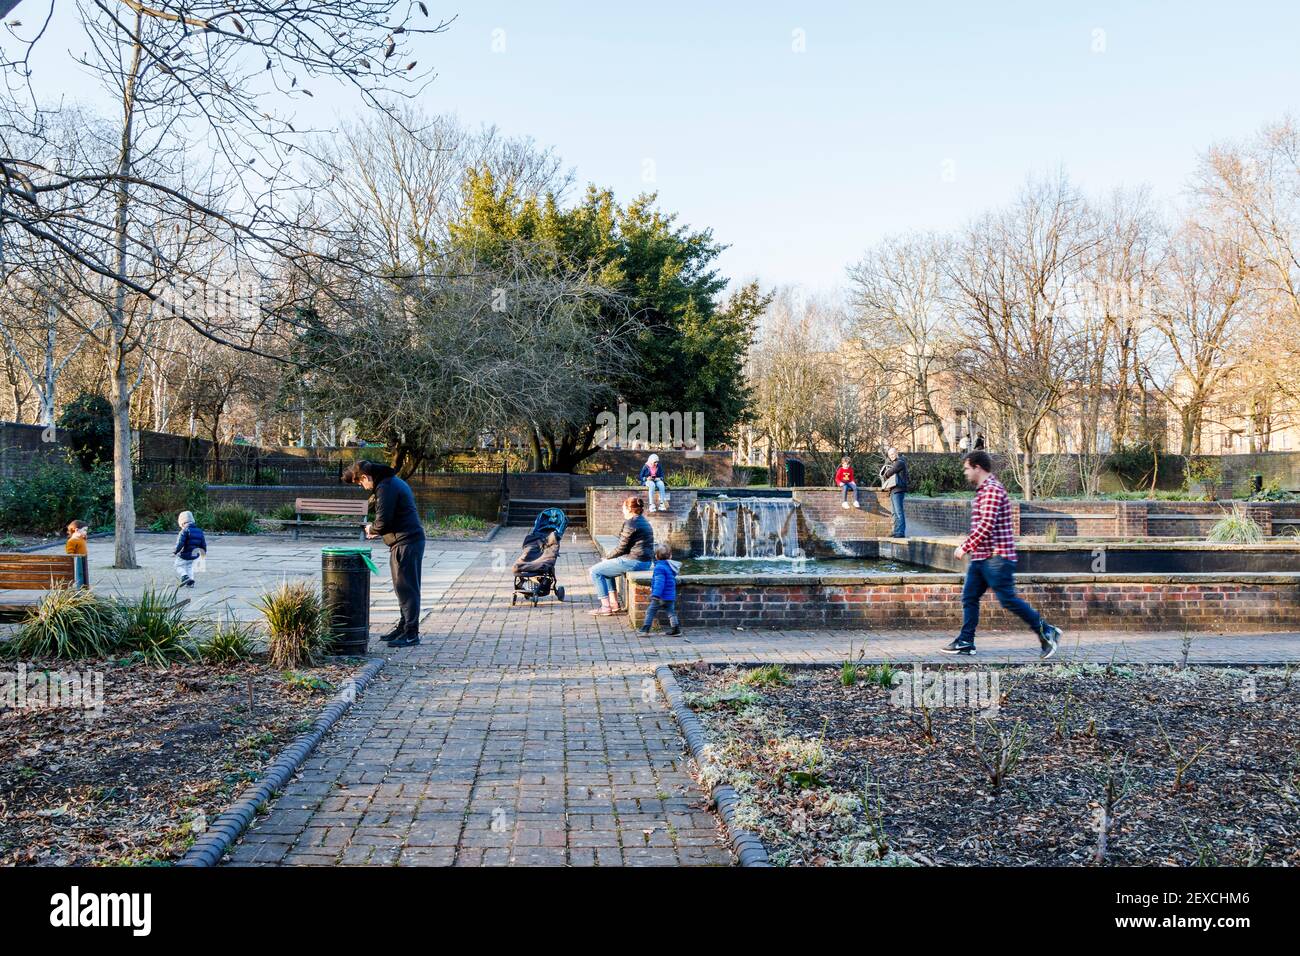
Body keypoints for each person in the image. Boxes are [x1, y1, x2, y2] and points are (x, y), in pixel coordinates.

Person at [941, 450, 1063, 658]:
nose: (965, 473)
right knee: (969, 597)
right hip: (982, 558)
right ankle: (966, 641)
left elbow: (987, 524)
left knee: (1008, 600)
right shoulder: (983, 490)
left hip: (997, 558)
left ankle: (1047, 631)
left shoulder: (992, 490)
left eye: (967, 468)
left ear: (977, 467)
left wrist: (965, 546)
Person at [352, 460, 426, 647]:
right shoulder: (392, 482)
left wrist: (372, 529)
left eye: (361, 483)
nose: (363, 487)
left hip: (406, 542)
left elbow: (383, 521)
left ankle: (411, 633)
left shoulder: (385, 487)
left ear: (365, 477)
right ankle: (404, 627)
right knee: (404, 588)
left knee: (406, 589)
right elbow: (393, 517)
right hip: (407, 541)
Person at [588, 495, 653, 616]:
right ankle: (613, 604)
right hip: (645, 560)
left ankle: (605, 607)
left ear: (629, 509)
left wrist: (607, 557)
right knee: (606, 569)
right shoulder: (643, 520)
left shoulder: (631, 523)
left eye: (623, 507)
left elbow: (621, 548)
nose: (622, 510)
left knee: (595, 571)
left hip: (635, 561)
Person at [638, 542, 681, 637]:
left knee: (650, 611)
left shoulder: (659, 568)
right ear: (670, 556)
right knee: (671, 613)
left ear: (656, 556)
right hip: (670, 596)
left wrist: (656, 595)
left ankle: (645, 629)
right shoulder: (670, 567)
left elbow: (659, 582)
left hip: (660, 596)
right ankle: (676, 629)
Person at [879, 447, 909, 538]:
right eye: (890, 455)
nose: (891, 456)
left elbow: (888, 473)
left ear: (897, 453)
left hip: (898, 490)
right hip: (893, 490)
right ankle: (896, 531)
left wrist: (886, 474)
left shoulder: (900, 462)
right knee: (894, 512)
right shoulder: (894, 463)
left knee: (898, 512)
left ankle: (900, 532)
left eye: (893, 454)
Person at [173, 511, 207, 588]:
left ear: (182, 523)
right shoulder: (199, 531)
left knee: (178, 565)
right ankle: (190, 582)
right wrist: (203, 552)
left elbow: (180, 543)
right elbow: (203, 544)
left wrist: (175, 551)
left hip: (184, 554)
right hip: (194, 554)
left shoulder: (184, 531)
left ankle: (184, 576)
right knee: (189, 567)